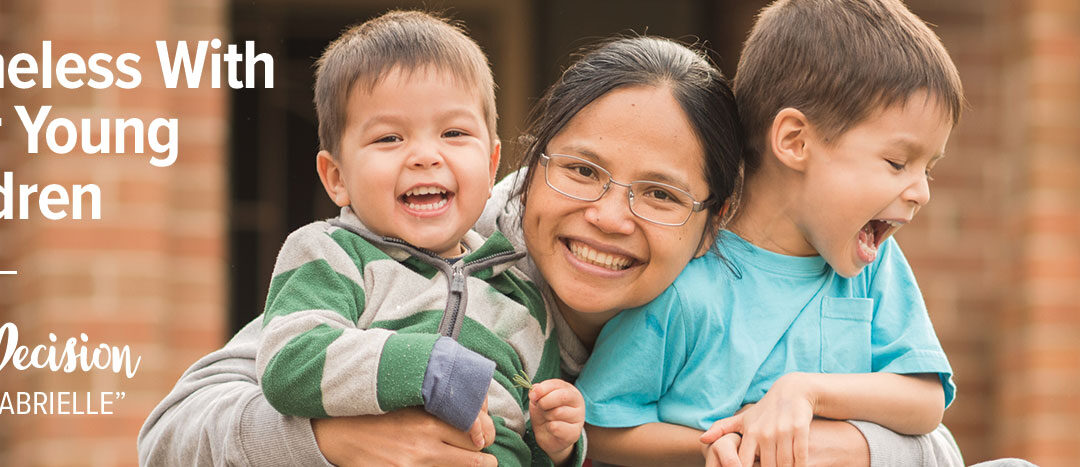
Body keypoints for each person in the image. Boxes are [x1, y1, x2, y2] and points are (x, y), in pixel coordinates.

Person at [138, 32, 965, 467]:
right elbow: (171, 433)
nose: (608, 216)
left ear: (716, 220)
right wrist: (331, 442)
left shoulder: (777, 282)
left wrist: (808, 437)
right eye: (581, 170)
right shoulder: (437, 257)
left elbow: (938, 445)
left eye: (660, 193)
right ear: (524, 166)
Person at [575, 1, 962, 466]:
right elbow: (598, 425)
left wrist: (806, 393)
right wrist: (716, 449)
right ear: (795, 141)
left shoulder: (873, 266)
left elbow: (925, 402)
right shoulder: (684, 276)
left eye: (928, 170)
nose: (920, 191)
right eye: (898, 163)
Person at [247, 11, 587, 467]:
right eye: (389, 138)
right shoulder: (331, 255)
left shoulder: (522, 298)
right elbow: (289, 363)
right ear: (336, 177)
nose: (425, 156)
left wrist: (557, 442)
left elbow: (526, 445)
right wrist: (426, 366)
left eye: (453, 133)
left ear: (491, 167)